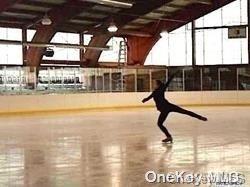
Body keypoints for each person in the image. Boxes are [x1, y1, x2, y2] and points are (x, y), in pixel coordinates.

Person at [142, 71, 207, 143]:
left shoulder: (158, 90)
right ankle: (200, 117)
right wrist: (145, 100)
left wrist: (145, 100)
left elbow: (149, 97)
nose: (153, 85)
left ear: (157, 84)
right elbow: (166, 83)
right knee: (185, 112)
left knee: (160, 124)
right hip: (169, 106)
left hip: (164, 109)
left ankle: (169, 137)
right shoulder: (159, 90)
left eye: (154, 83)